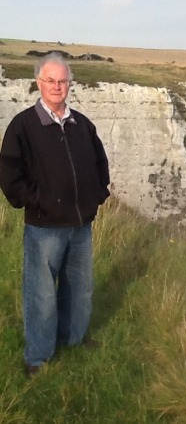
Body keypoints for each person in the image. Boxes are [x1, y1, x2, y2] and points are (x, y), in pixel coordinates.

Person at [0, 52, 110, 377]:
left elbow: (100, 165)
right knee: (42, 294)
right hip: (45, 226)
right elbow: (9, 174)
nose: (57, 86)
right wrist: (37, 202)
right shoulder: (23, 125)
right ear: (39, 83)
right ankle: (37, 357)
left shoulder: (82, 124)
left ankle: (73, 340)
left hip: (80, 224)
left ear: (69, 84)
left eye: (62, 81)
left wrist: (97, 197)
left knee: (79, 288)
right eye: (50, 80)